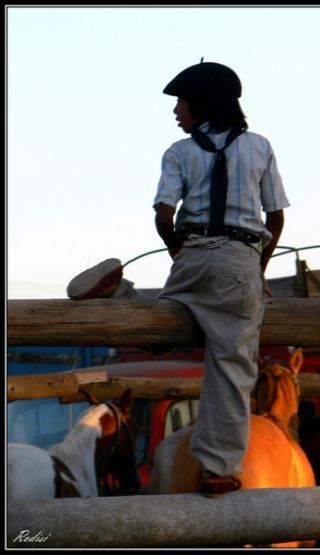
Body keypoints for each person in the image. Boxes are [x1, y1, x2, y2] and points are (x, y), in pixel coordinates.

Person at [66, 60, 289, 497]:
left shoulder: (179, 152)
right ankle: (217, 469)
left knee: (161, 332)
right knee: (231, 363)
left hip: (193, 255)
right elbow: (276, 217)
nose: (176, 113)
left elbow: (164, 214)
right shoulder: (260, 146)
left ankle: (120, 296)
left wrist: (179, 252)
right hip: (239, 258)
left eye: (180, 104)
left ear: (201, 107)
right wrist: (257, 270)